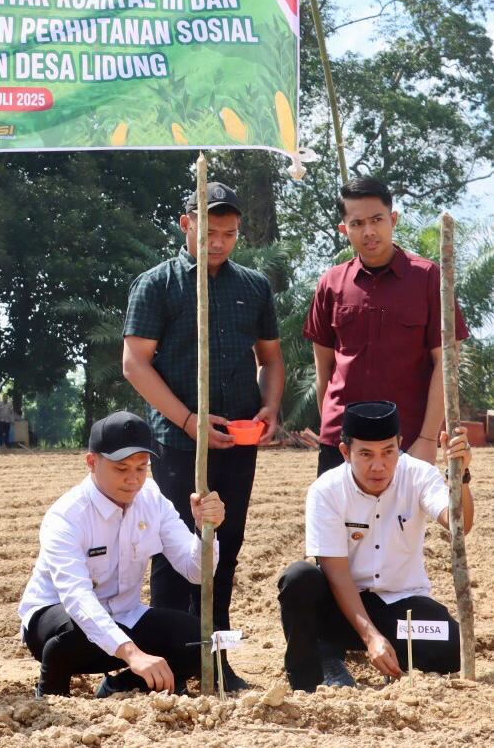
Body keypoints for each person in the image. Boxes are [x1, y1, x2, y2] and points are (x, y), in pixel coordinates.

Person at [122, 182, 284, 691]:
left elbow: (271, 358)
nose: (218, 242)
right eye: (209, 231)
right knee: (173, 549)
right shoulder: (157, 285)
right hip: (176, 444)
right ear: (185, 223)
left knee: (225, 548)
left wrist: (270, 406)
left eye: (229, 234)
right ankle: (169, 663)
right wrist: (189, 421)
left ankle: (217, 660)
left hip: (237, 442)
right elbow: (134, 364)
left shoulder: (253, 287)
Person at [19, 411, 224, 697]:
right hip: (59, 620)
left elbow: (197, 572)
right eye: (121, 468)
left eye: (141, 468)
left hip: (125, 615)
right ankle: (50, 694)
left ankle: (119, 687)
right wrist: (132, 653)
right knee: (73, 631)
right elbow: (76, 597)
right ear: (92, 462)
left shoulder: (152, 499)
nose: (133, 479)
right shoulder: (66, 515)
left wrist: (205, 530)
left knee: (202, 640)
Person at [277, 401, 473, 690]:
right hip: (342, 606)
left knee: (451, 644)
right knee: (299, 579)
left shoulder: (419, 475)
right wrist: (371, 637)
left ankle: (392, 656)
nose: (379, 466)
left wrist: (461, 477)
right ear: (346, 452)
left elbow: (460, 524)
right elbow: (337, 573)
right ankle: (318, 666)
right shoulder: (326, 491)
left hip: (401, 607)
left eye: (388, 452)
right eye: (366, 454)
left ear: (400, 445)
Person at [305, 177, 469, 476]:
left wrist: (427, 439)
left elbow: (446, 364)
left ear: (393, 219)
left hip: (406, 442)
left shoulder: (429, 279)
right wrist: (331, 428)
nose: (368, 231)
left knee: (408, 512)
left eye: (377, 219)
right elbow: (324, 369)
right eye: (357, 224)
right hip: (341, 444)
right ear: (344, 229)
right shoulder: (331, 283)